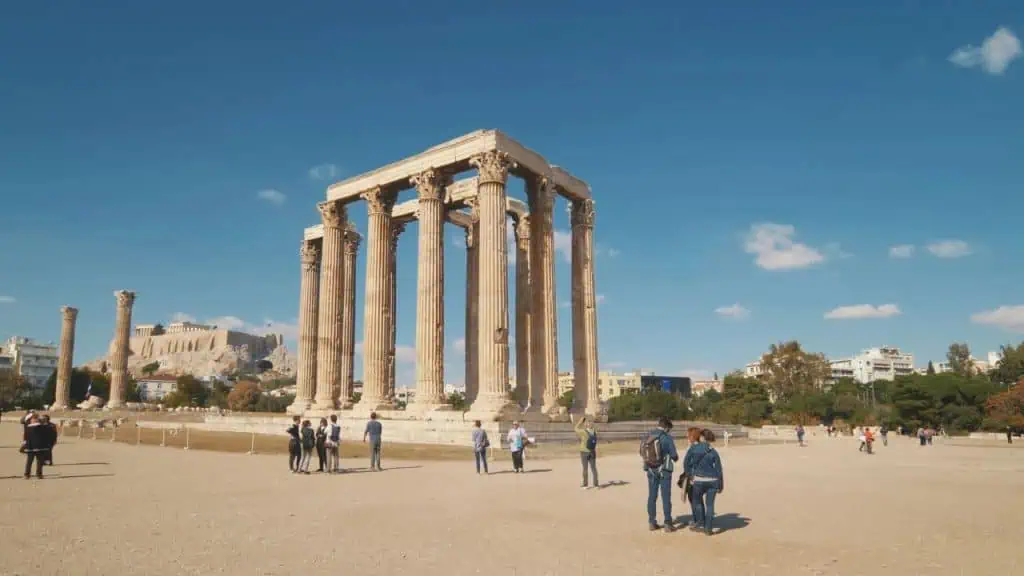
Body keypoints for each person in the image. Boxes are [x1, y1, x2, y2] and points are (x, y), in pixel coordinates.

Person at [641, 416, 679, 532]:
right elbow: (674, 456)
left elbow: (641, 452)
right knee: (666, 496)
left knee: (652, 496)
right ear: (666, 427)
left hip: (651, 469)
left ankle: (652, 522)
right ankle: (668, 523)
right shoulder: (666, 438)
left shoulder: (647, 435)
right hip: (665, 471)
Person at [684, 428, 724, 535]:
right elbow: (719, 469)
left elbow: (686, 463)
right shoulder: (713, 451)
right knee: (710, 505)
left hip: (699, 480)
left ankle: (699, 521)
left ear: (701, 437)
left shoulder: (694, 448)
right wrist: (721, 484)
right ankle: (708, 529)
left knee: (697, 502)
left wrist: (690, 475)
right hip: (713, 480)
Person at [23, 414, 53, 479]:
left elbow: (25, 437)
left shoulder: (28, 427)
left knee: (29, 461)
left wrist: (25, 445)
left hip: (30, 447)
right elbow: (47, 435)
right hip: (40, 447)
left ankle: (27, 474)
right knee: (39, 462)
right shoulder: (43, 427)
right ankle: (39, 474)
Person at [574, 415, 599, 489]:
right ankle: (596, 484)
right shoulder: (595, 432)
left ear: (586, 424)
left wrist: (580, 421)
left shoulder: (584, 432)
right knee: (594, 468)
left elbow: (575, 428)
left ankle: (585, 484)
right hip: (592, 451)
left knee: (585, 468)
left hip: (584, 451)